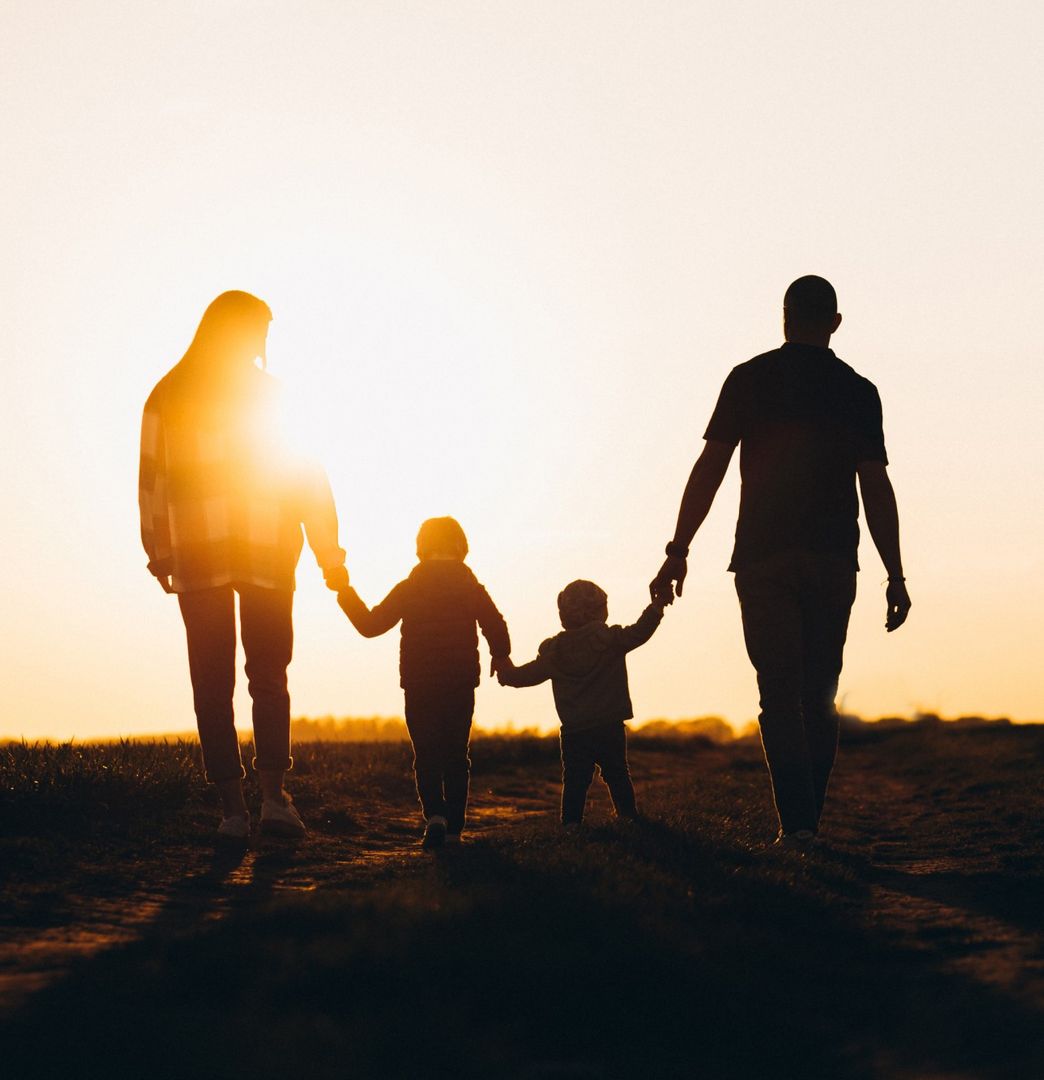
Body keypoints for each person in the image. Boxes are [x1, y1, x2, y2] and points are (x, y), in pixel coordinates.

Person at [651, 275, 911, 848]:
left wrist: (678, 549)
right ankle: (805, 824)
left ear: (784, 316)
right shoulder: (858, 390)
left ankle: (796, 826)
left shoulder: (749, 379)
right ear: (836, 323)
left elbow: (710, 469)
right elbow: (877, 488)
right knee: (818, 695)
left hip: (763, 557)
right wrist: (894, 573)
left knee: (779, 696)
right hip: (833, 559)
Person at [139, 290, 347, 843]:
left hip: (221, 550)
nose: (264, 341)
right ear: (236, 330)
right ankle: (265, 802)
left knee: (217, 681)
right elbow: (307, 481)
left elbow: (151, 480)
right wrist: (328, 551)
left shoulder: (170, 393)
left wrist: (158, 547)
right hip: (259, 549)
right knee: (263, 676)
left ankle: (242, 810)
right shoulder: (242, 395)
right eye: (260, 329)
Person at [326, 517, 510, 849]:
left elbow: (370, 625)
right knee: (457, 755)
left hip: (419, 682)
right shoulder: (470, 587)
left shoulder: (409, 588)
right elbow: (494, 623)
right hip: (459, 681)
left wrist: (344, 592)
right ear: (461, 548)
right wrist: (502, 656)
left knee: (425, 754)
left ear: (421, 549)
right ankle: (454, 829)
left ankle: (435, 817)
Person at [497, 579, 669, 827]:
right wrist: (657, 606)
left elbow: (523, 677)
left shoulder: (554, 651)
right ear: (600, 610)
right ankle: (629, 819)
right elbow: (640, 631)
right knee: (618, 774)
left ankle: (571, 826)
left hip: (575, 731)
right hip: (609, 725)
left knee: (575, 781)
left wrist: (504, 669)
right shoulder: (610, 639)